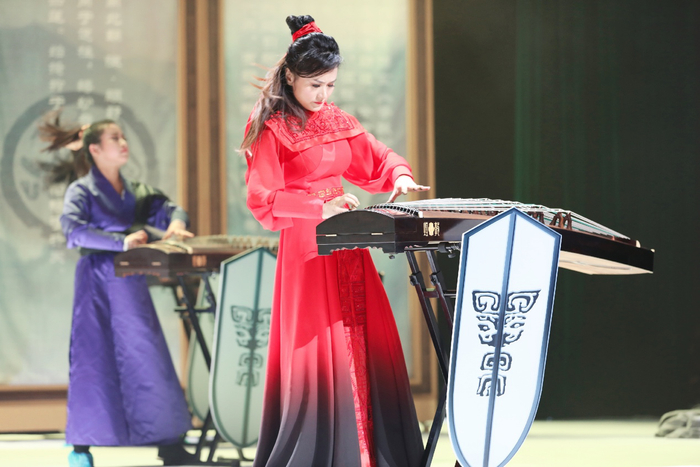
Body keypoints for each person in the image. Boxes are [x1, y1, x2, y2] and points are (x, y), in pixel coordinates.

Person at [242, 15, 430, 467]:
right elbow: (261, 198)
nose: (323, 95)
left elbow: (377, 157)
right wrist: (317, 207)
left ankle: (368, 452)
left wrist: (399, 175)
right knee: (319, 348)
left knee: (360, 334)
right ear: (291, 76)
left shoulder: (337, 119)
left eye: (330, 85)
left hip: (347, 240)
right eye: (315, 86)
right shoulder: (272, 127)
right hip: (306, 246)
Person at [51, 118, 196, 467]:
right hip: (96, 281)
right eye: (114, 137)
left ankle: (169, 442)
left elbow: (171, 209)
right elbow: (73, 231)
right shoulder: (81, 190)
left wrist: (176, 224)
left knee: (147, 353)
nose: (123, 142)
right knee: (92, 357)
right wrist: (121, 241)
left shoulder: (136, 191)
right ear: (95, 149)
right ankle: (82, 445)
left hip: (130, 281)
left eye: (123, 136)